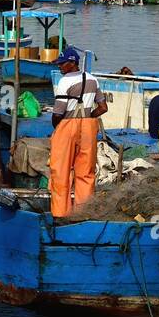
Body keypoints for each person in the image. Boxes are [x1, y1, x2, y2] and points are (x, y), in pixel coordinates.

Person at [48, 46, 107, 217]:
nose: (59, 67)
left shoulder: (64, 81)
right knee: (86, 173)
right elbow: (103, 108)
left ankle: (60, 214)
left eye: (62, 63)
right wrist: (89, 116)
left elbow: (58, 113)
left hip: (67, 125)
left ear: (72, 63)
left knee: (61, 172)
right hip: (88, 126)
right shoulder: (93, 80)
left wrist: (57, 129)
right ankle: (84, 213)